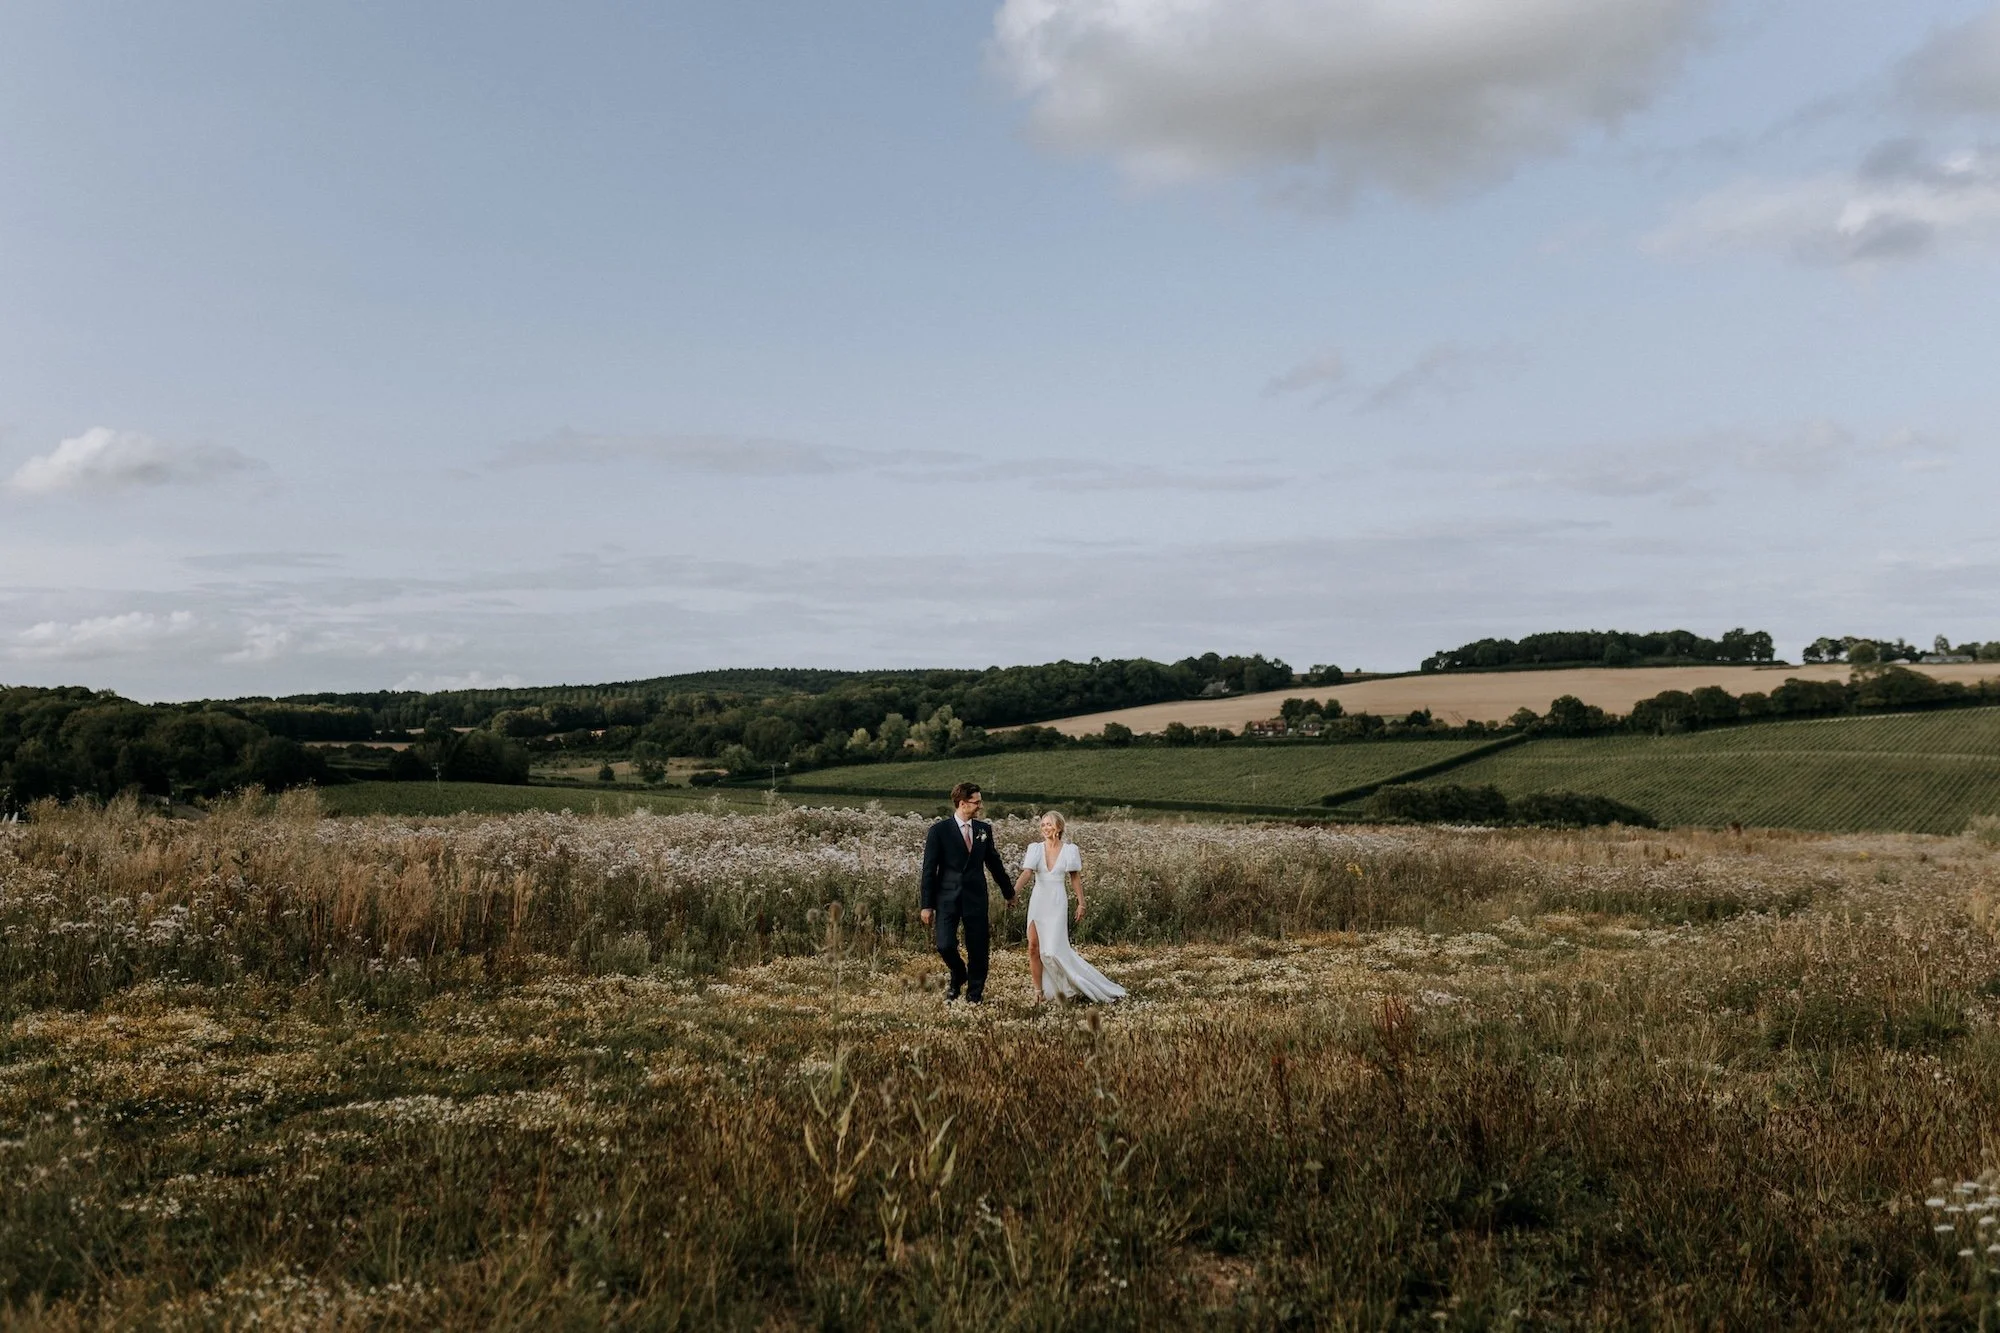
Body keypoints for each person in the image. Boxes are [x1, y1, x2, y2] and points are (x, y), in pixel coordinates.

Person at [1014, 810, 1125, 1004]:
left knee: (1051, 951)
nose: (1045, 828)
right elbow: (1027, 873)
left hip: (1057, 901)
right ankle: (1039, 992)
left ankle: (1068, 989)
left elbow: (1075, 878)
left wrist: (1081, 903)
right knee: (1033, 947)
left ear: (1058, 827)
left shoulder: (1069, 850)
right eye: (1043, 824)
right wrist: (1013, 892)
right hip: (1038, 900)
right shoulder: (1035, 848)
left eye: (1049, 824)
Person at [919, 782, 1015, 1003]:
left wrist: (1008, 892)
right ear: (962, 803)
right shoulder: (938, 831)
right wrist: (927, 905)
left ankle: (974, 994)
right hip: (947, 898)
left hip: (976, 897)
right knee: (944, 945)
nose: (980, 806)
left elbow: (994, 863)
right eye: (976, 802)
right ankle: (959, 973)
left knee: (978, 948)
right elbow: (929, 870)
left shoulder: (984, 830)